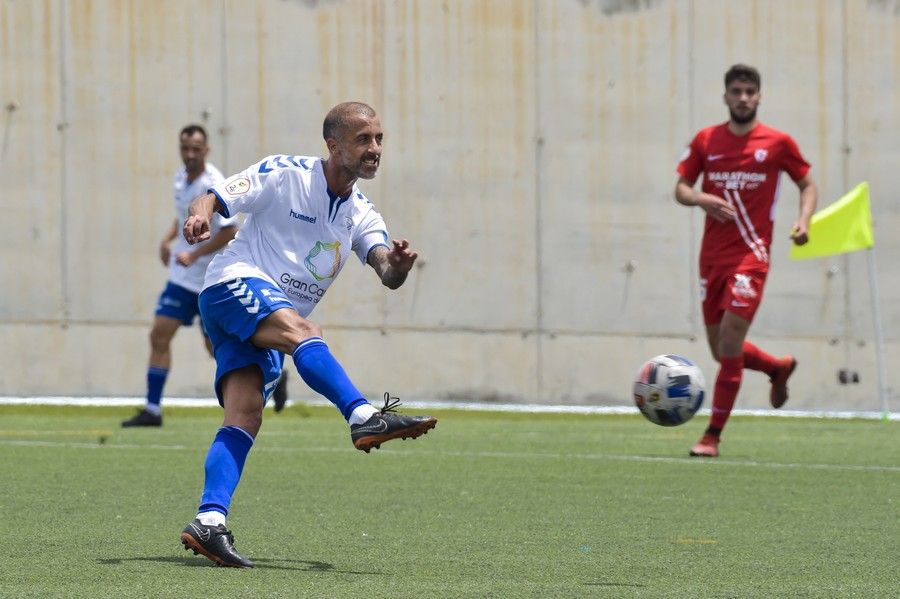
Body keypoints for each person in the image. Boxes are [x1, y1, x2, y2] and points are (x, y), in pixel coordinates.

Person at [178, 102, 437, 567]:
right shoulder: (285, 173)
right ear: (333, 145)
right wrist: (199, 216)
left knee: (246, 414)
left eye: (378, 139)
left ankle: (208, 522)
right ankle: (361, 416)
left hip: (261, 319)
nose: (375, 149)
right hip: (231, 285)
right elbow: (214, 199)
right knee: (305, 330)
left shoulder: (360, 212)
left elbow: (384, 267)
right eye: (363, 140)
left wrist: (395, 268)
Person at [674, 64, 817, 458]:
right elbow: (682, 188)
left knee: (732, 340)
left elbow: (807, 183)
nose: (742, 98)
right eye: (736, 91)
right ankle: (776, 367)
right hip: (712, 260)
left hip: (751, 257)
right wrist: (703, 198)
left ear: (759, 96)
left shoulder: (776, 143)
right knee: (722, 351)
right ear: (725, 96)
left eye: (749, 91)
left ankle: (712, 437)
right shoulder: (707, 140)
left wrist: (804, 221)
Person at [122, 125, 238, 427]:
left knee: (215, 348)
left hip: (209, 280)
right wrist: (166, 240)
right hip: (181, 279)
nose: (190, 154)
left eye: (195, 149)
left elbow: (230, 230)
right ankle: (152, 409)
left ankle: (265, 380)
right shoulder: (179, 178)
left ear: (206, 150)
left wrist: (195, 254)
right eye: (185, 148)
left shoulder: (214, 183)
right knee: (159, 333)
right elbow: (182, 218)